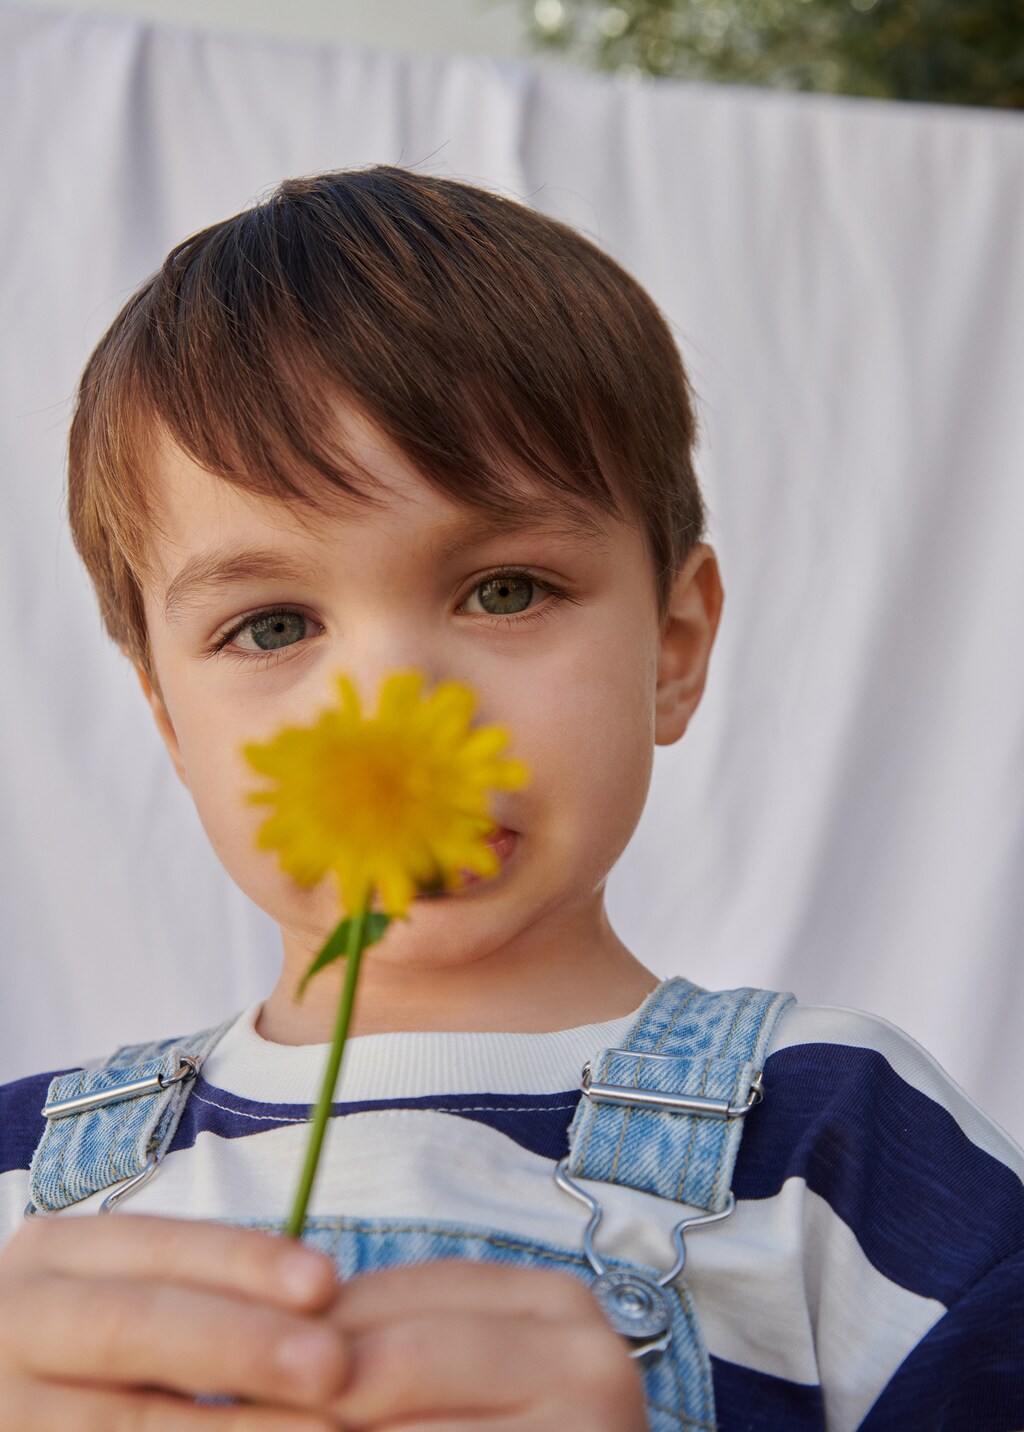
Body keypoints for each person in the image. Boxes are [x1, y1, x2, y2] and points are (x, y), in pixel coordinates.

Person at [0, 166, 1020, 1432]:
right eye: (272, 624)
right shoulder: (24, 1191)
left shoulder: (848, 1153)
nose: (385, 708)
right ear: (166, 719)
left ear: (672, 645)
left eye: (504, 590)